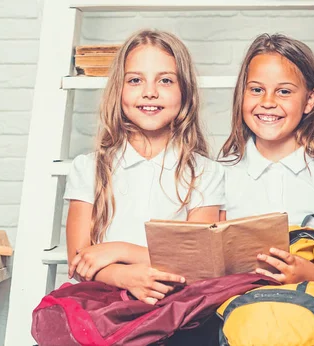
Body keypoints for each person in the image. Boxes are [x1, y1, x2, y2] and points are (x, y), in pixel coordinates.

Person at [64, 29, 225, 305]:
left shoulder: (206, 173)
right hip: (103, 303)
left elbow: (200, 260)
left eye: (165, 80)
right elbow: (80, 259)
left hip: (175, 305)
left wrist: (119, 250)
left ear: (184, 91)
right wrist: (124, 277)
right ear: (119, 90)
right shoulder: (88, 168)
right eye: (136, 80)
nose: (150, 93)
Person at [218, 33, 314, 290]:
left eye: (283, 92)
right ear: (242, 95)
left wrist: (313, 274)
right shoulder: (221, 172)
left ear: (310, 100)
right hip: (243, 314)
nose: (267, 102)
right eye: (256, 90)